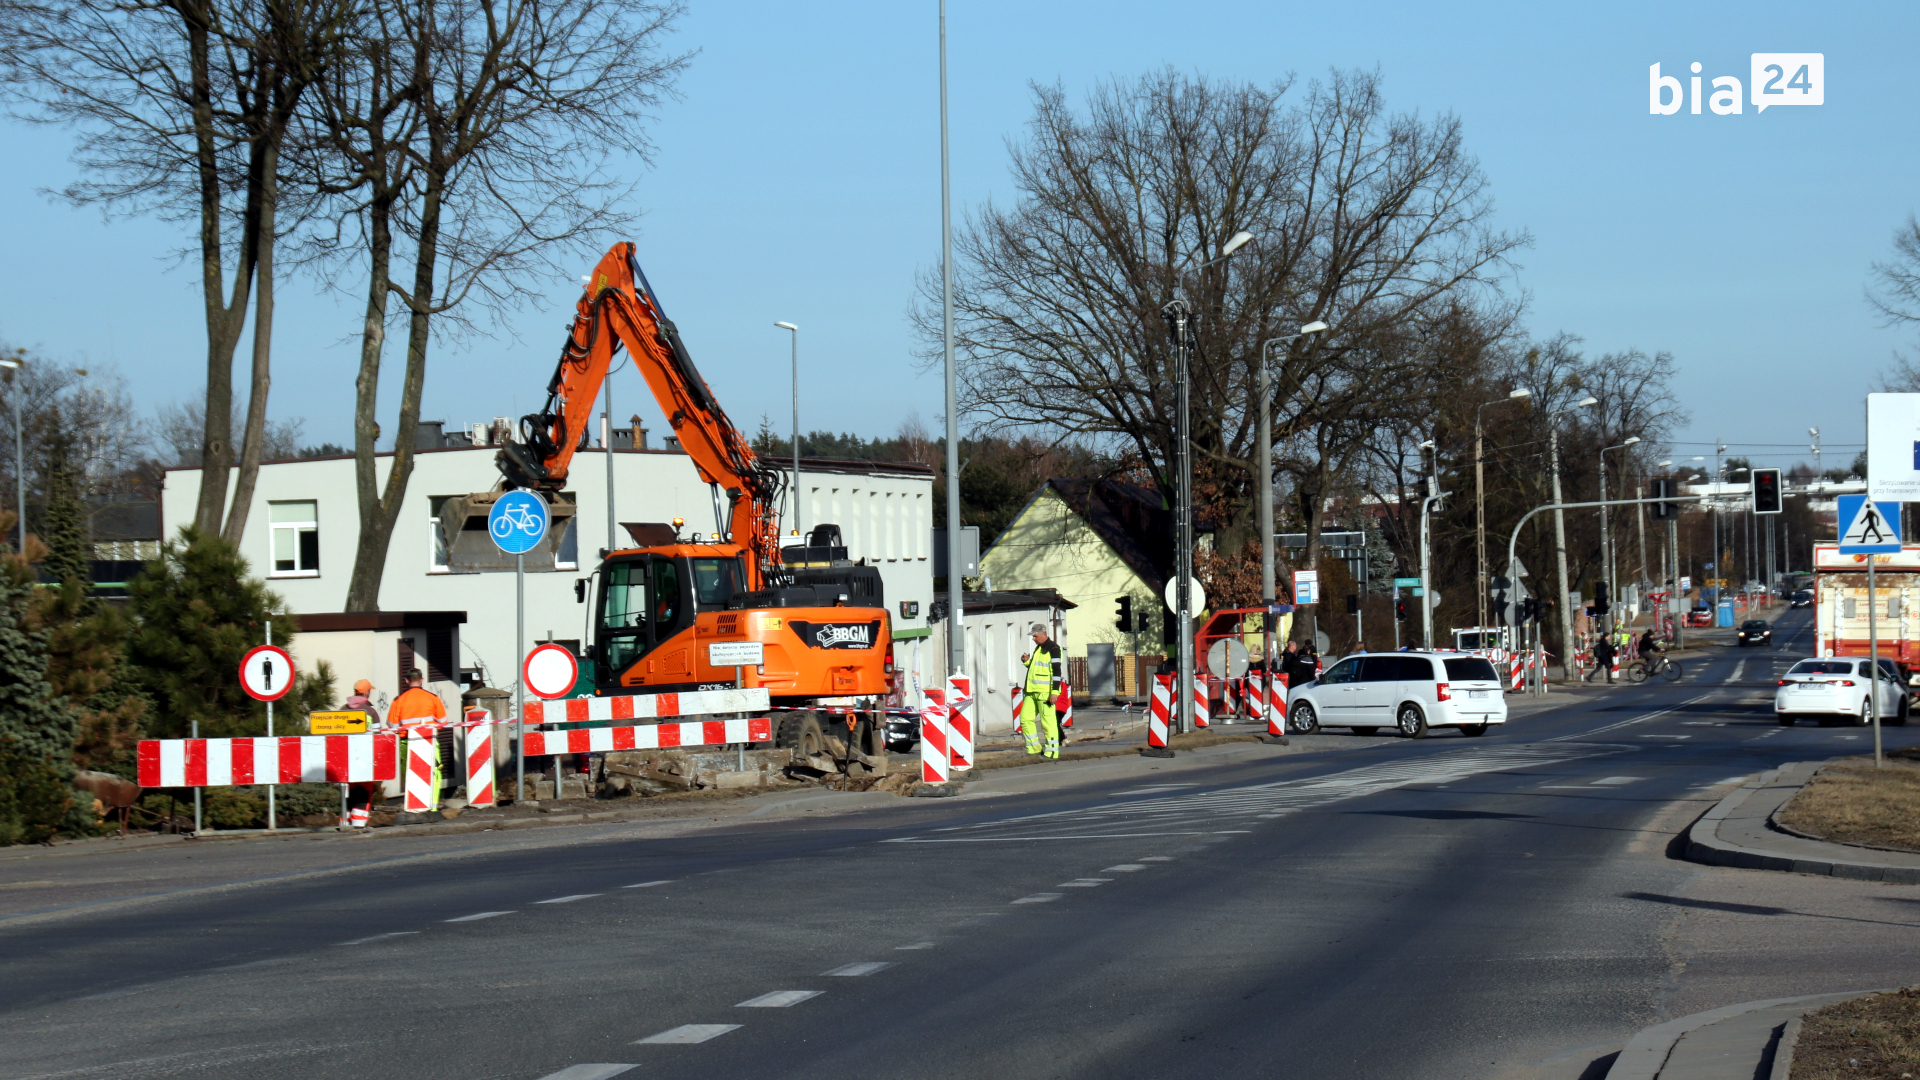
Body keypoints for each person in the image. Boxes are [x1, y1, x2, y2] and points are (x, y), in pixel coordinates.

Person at [390, 668, 449, 809]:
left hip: (407, 742)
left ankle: (413, 805)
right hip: (430, 740)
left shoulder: (398, 700)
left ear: (406, 681)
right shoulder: (433, 698)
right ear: (421, 680)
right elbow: (443, 721)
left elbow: (392, 725)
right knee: (435, 773)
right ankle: (433, 806)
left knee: (410, 774)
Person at [340, 679, 385, 828]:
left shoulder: (343, 710)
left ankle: (345, 821)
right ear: (366, 692)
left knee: (348, 790)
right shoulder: (370, 711)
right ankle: (359, 822)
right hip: (365, 757)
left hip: (346, 758)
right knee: (364, 789)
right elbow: (378, 735)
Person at [1017, 623, 1064, 760]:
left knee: (1047, 723)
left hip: (1045, 693)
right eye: (1033, 636)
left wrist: (1054, 692)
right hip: (1031, 692)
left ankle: (1052, 752)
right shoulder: (1039, 648)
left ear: (1044, 634)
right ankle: (1034, 750)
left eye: (1035, 636)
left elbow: (1056, 672)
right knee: (1025, 719)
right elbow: (1036, 669)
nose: (1033, 639)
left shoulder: (1053, 649)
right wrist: (1027, 662)